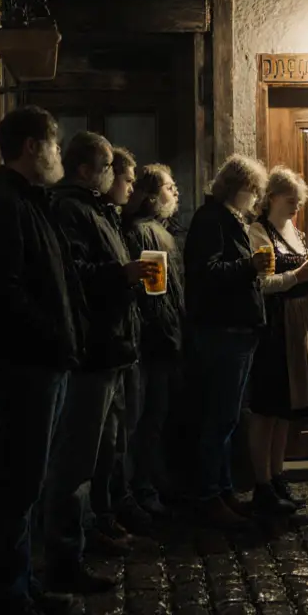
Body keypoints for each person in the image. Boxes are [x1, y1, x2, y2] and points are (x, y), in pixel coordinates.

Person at [0, 106, 82, 615]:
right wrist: (52, 334)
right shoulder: (2, 206)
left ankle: (22, 582)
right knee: (18, 481)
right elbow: (5, 292)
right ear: (33, 146)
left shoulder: (30, 202)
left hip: (42, 361)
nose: (58, 155)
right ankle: (7, 594)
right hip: (25, 364)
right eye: (55, 145)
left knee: (29, 479)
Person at [42, 132, 156, 593]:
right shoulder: (71, 210)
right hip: (91, 353)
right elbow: (76, 278)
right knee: (75, 461)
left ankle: (88, 533)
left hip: (111, 349)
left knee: (102, 452)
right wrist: (123, 274)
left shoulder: (96, 210)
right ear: (88, 171)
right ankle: (64, 559)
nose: (115, 175)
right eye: (108, 166)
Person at [183, 154, 272, 528]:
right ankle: (208, 496)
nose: (255, 200)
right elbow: (207, 272)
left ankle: (222, 490)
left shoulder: (230, 220)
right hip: (222, 331)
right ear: (237, 188)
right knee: (219, 417)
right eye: (252, 191)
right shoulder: (212, 220)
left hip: (236, 330)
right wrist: (249, 266)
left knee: (228, 416)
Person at [246, 166, 308, 515]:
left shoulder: (295, 231)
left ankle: (278, 476)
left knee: (286, 409)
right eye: (290, 198)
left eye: (299, 199)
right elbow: (261, 284)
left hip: (300, 322)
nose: (297, 204)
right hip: (275, 326)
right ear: (271, 198)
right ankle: (262, 483)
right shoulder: (258, 232)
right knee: (267, 408)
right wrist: (297, 276)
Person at [121, 164, 185, 517]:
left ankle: (151, 482)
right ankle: (143, 488)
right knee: (148, 418)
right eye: (168, 187)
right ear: (149, 194)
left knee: (154, 417)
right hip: (153, 341)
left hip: (162, 338)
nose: (175, 192)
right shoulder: (145, 233)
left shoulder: (159, 231)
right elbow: (155, 298)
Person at [99, 146, 156, 535]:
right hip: (102, 346)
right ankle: (101, 515)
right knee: (104, 441)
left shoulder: (110, 217)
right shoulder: (87, 215)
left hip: (123, 341)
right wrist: (123, 275)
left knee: (119, 434)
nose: (132, 187)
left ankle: (114, 506)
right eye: (127, 178)